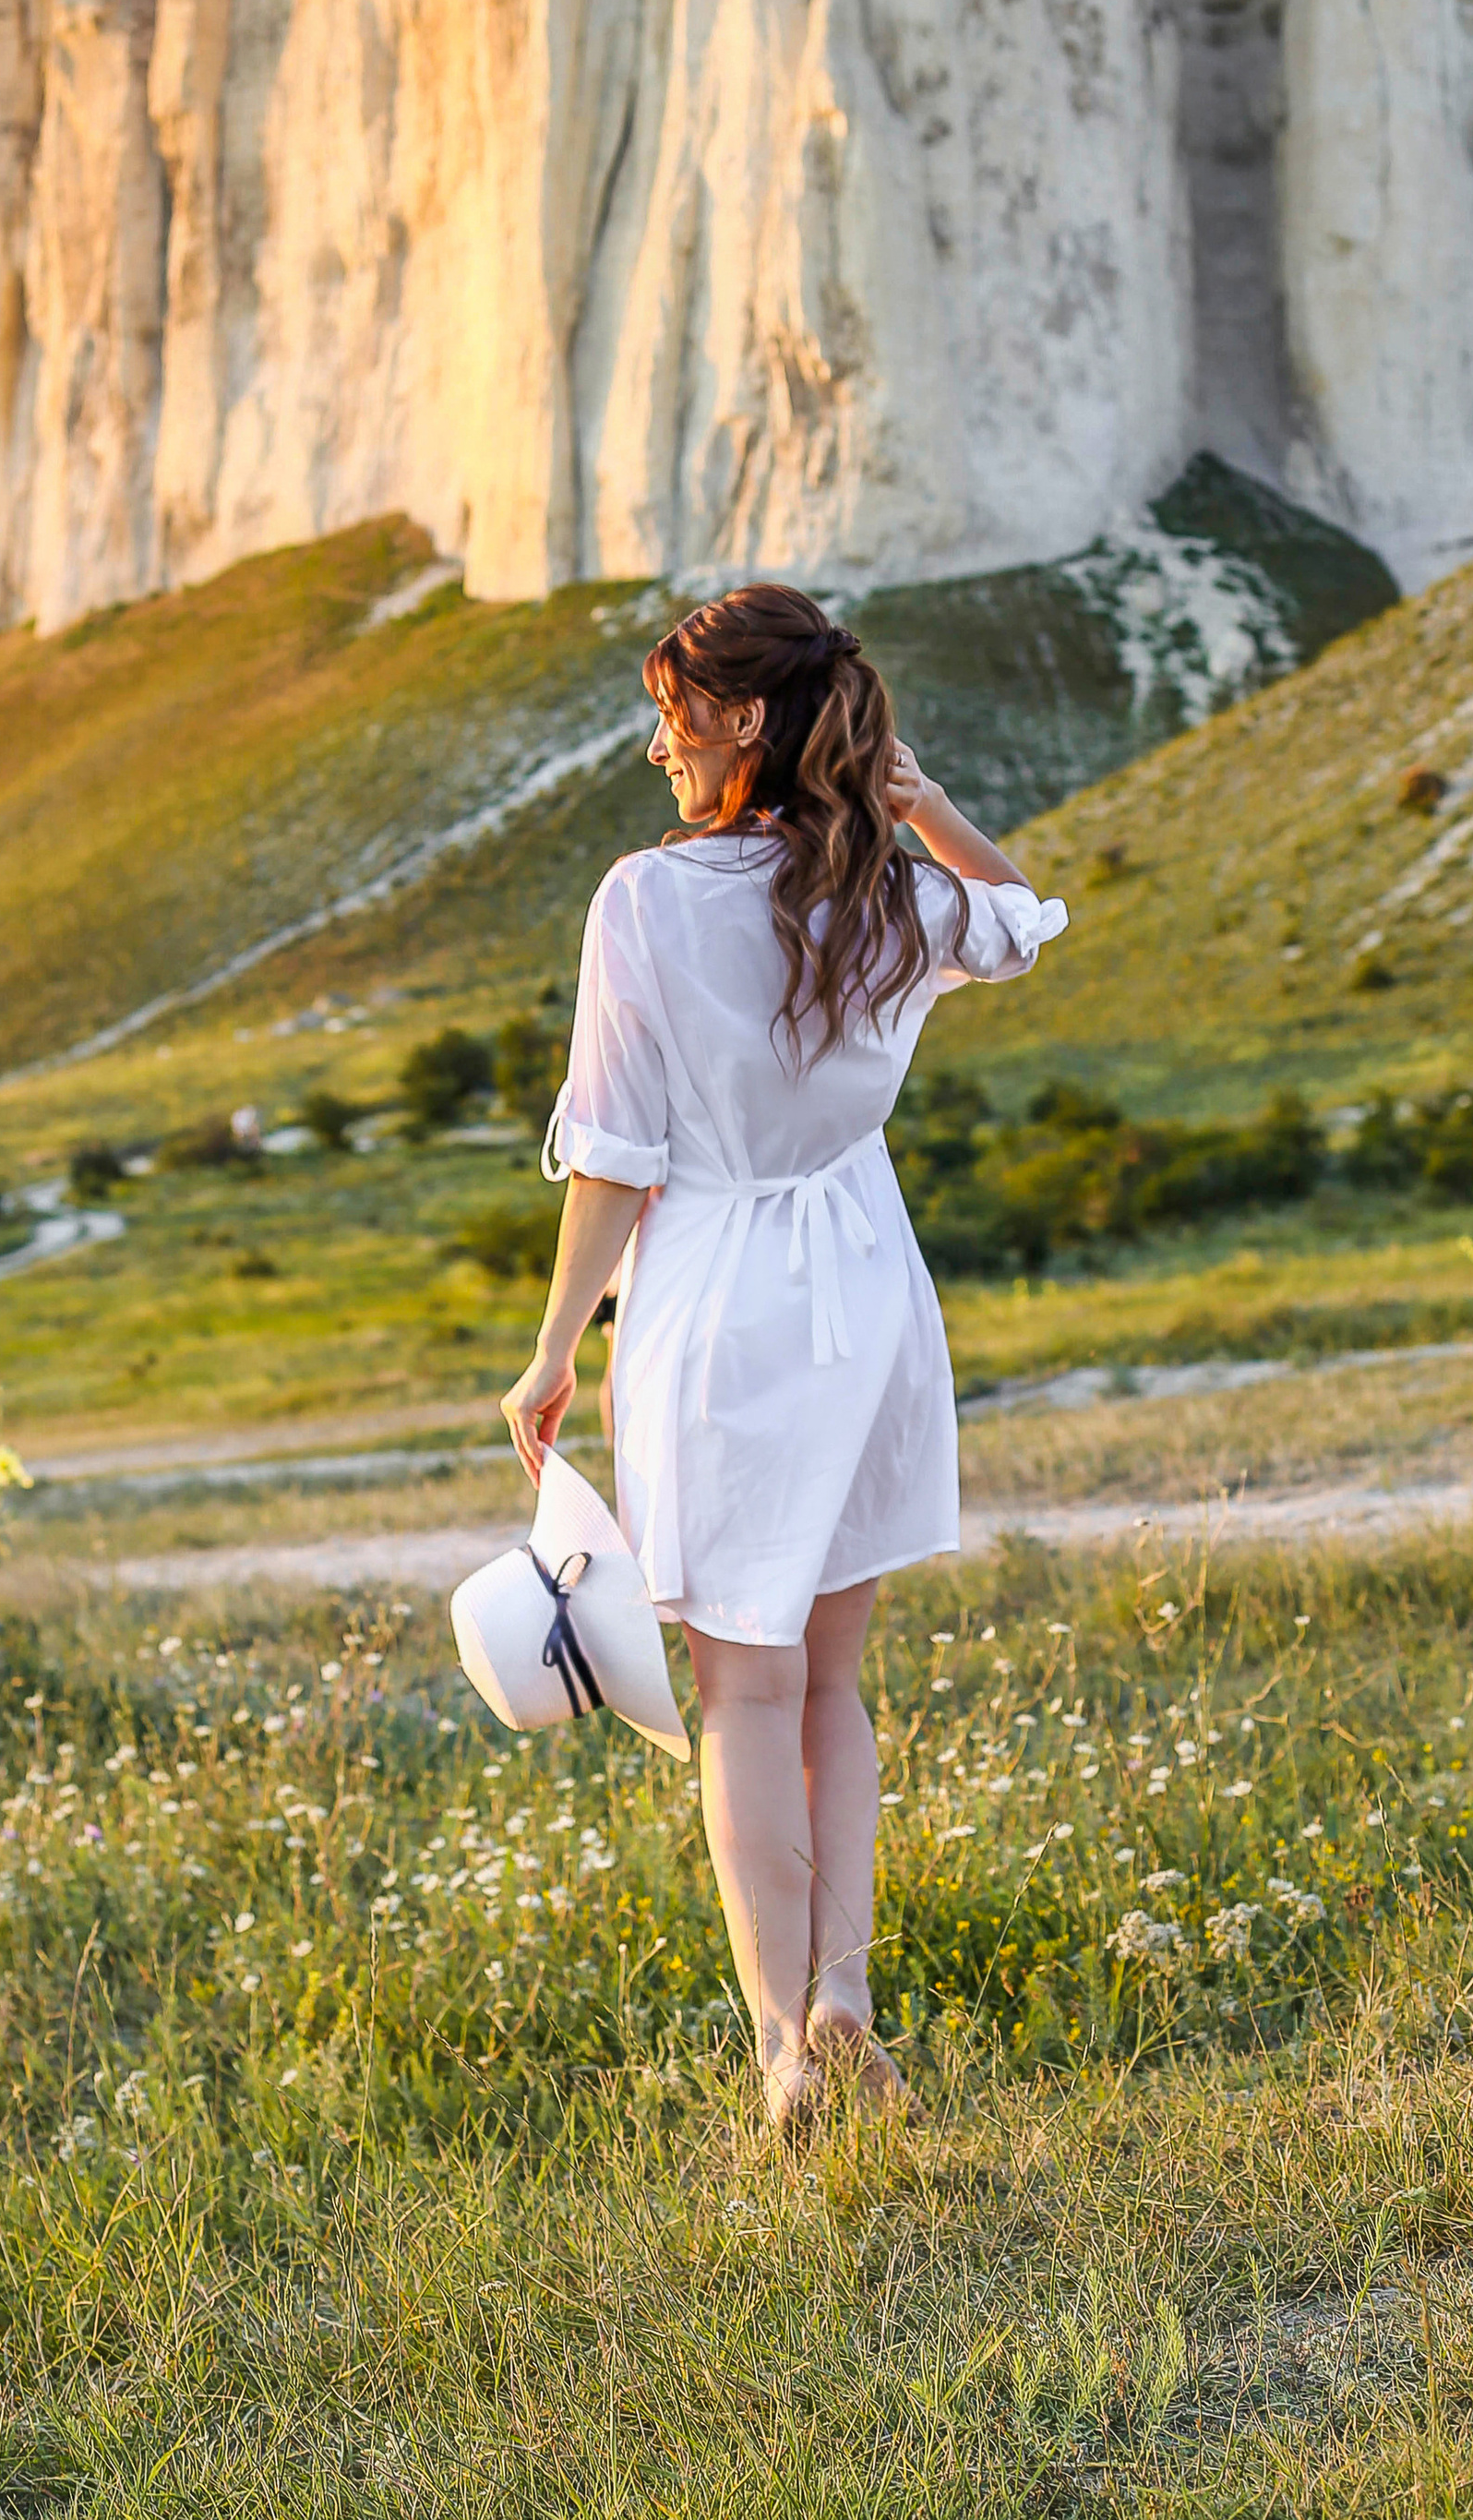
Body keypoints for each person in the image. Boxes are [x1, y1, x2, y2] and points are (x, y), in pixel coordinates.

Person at [498, 582, 1067, 2134]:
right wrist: (921, 802)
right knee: (830, 1681)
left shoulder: (644, 902)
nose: (660, 748)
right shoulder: (891, 889)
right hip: (866, 1284)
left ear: (745, 718)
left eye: (674, 717)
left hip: (721, 1296)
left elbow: (613, 1155)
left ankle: (783, 2059)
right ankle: (845, 2004)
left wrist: (553, 1352)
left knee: (741, 1696)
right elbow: (1019, 924)